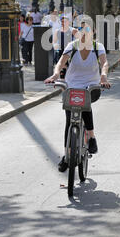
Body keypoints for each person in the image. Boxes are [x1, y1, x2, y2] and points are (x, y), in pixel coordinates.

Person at [45, 19, 110, 172]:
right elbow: (61, 62)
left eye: (88, 30)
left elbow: (104, 63)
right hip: (72, 86)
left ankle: (92, 137)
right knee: (70, 118)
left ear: (93, 32)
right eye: (82, 30)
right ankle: (68, 154)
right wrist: (55, 75)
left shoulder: (98, 47)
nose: (84, 33)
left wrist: (104, 76)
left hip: (92, 86)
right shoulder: (72, 46)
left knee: (85, 103)